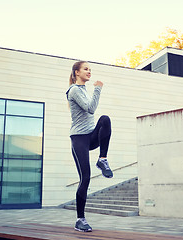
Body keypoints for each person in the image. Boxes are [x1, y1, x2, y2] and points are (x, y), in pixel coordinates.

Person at [66, 61, 113, 232]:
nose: (89, 72)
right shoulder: (74, 90)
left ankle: (103, 159)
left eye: (90, 69)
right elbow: (91, 109)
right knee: (85, 178)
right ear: (77, 72)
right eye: (86, 69)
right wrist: (98, 89)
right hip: (79, 139)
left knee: (105, 120)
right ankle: (80, 219)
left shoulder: (83, 90)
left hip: (90, 136)